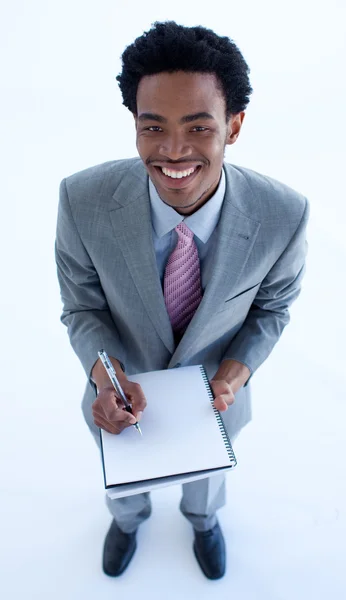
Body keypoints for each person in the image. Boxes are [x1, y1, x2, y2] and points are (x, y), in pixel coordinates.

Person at [55, 21, 310, 580]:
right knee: (122, 481)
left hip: (217, 398)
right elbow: (82, 308)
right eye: (154, 127)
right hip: (120, 394)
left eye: (198, 127)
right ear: (135, 127)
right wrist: (107, 379)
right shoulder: (82, 200)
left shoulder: (284, 216)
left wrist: (235, 375)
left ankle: (202, 520)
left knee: (208, 483)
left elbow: (273, 308)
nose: (174, 152)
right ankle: (128, 520)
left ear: (234, 126)